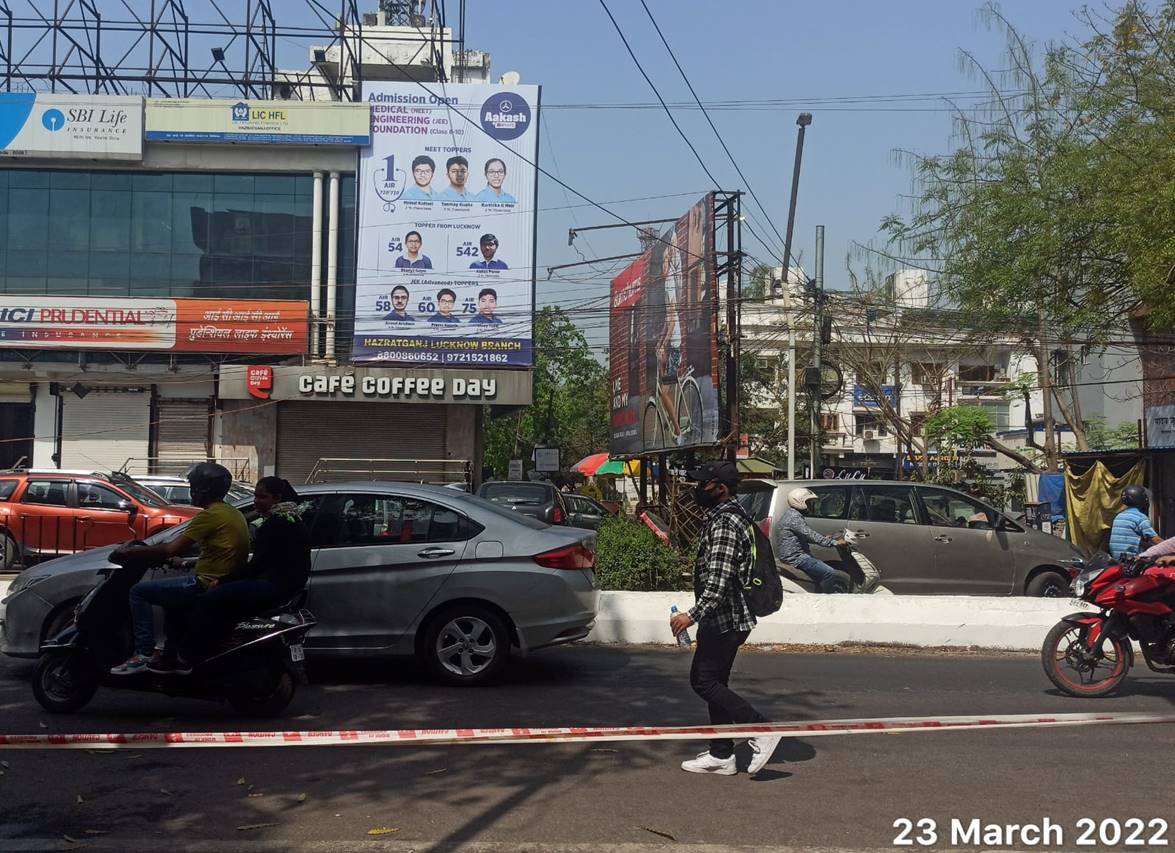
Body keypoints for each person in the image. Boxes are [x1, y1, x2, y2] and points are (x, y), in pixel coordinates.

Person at [670, 460, 781, 777]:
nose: (697, 489)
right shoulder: (727, 517)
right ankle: (722, 754)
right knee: (715, 683)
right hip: (726, 619)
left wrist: (690, 617)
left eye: (703, 483)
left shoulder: (725, 523)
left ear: (720, 487)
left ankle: (761, 728)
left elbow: (718, 582)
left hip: (726, 619)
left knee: (702, 681)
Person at [109, 463, 250, 675]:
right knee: (171, 604)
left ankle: (143, 653)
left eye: (193, 486)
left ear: (201, 489)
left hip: (204, 584)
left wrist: (129, 552)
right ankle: (170, 653)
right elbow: (220, 551)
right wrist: (184, 563)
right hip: (221, 580)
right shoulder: (232, 513)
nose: (192, 491)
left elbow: (170, 548)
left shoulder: (209, 516)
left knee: (139, 592)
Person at [166, 477, 312, 674]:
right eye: (255, 496)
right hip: (285, 586)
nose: (256, 501)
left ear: (277, 498)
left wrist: (224, 580)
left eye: (262, 496)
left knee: (207, 600)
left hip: (272, 586)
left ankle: (189, 657)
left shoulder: (277, 524)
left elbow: (258, 564)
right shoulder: (291, 518)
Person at [772, 488, 848, 594]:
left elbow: (805, 535)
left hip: (794, 555)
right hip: (797, 557)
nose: (811, 505)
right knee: (829, 572)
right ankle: (826, 599)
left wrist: (825, 539)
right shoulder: (794, 518)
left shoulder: (792, 515)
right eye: (808, 502)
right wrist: (834, 543)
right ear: (800, 502)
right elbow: (810, 535)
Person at [1108, 485, 1162, 560]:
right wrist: (1170, 547)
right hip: (1132, 561)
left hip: (1117, 559)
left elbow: (1129, 539)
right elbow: (1156, 540)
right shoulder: (1140, 517)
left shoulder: (1119, 516)